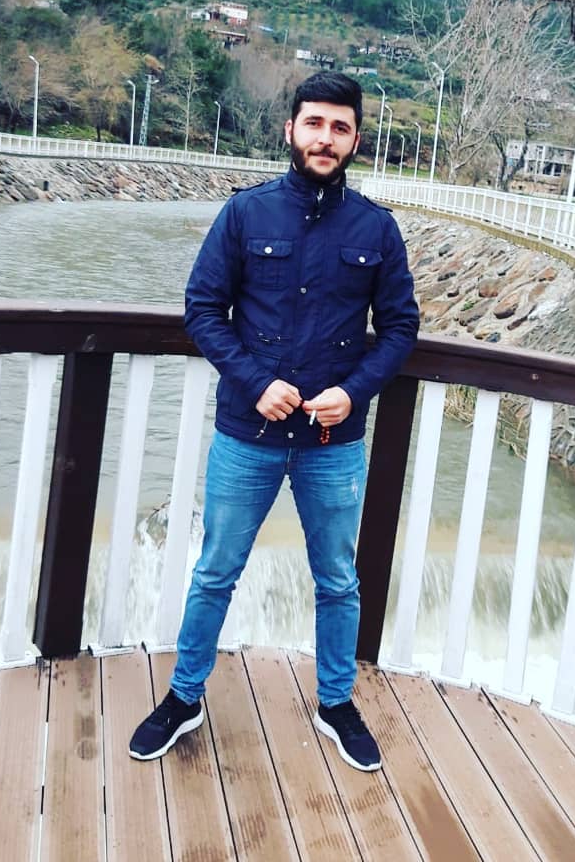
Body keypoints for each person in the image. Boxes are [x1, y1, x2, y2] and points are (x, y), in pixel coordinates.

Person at [129, 70, 419, 772]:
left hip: (333, 441)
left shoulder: (377, 229)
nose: (325, 138)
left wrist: (355, 391)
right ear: (291, 130)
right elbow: (202, 309)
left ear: (355, 141)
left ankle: (336, 702)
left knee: (338, 579)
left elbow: (400, 327)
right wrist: (256, 383)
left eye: (340, 127)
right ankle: (184, 696)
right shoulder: (245, 214)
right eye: (314, 123)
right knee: (215, 571)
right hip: (248, 434)